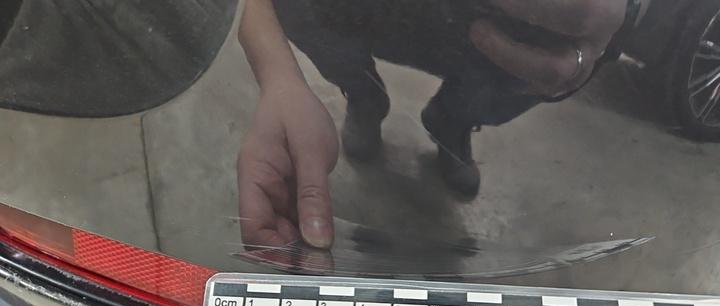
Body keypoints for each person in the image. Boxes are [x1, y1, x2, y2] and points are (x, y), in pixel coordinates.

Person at [237, 0, 641, 250]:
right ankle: (364, 94)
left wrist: (625, 9)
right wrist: (277, 72)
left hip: (498, 21)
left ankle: (451, 120)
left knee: (534, 57)